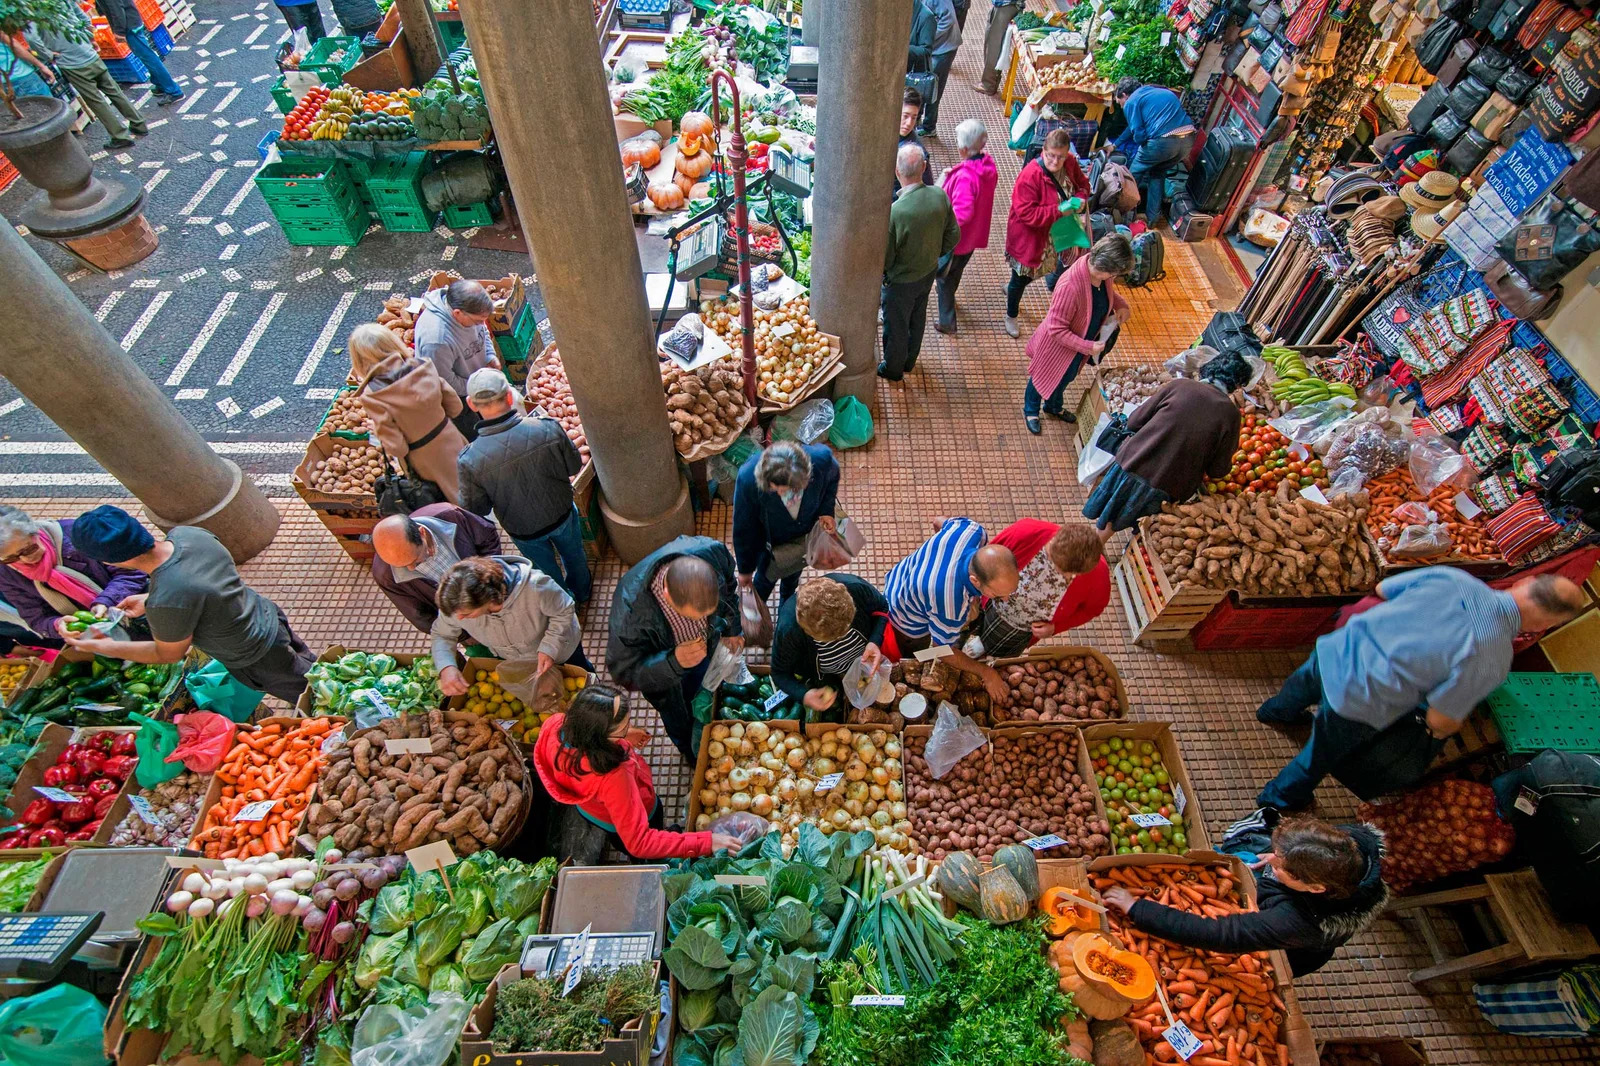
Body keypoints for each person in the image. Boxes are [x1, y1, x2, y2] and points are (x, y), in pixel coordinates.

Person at [1254, 569, 1586, 811]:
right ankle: (1278, 798)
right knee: (1318, 756)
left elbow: (1384, 588)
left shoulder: (1454, 578)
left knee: (1301, 686)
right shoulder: (1493, 657)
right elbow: (1440, 718)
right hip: (1358, 702)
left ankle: (1276, 712)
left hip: (1337, 649)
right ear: (1545, 625)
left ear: (1524, 583)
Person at [64, 506, 313, 703]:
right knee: (311, 665)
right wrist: (150, 600)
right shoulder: (188, 535)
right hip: (267, 616)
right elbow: (204, 585)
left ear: (112, 561)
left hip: (254, 654)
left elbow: (168, 653)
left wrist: (109, 647)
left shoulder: (167, 599)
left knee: (313, 693)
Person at [1102, 812, 1388, 978]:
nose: (1271, 863)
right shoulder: (1350, 846)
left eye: (1281, 867)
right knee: (1245, 851)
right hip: (1287, 905)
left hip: (1289, 952)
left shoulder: (1297, 923)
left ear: (1315, 887)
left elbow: (1218, 934)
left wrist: (1136, 907)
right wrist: (1272, 860)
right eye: (1277, 856)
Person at [535, 683, 742, 861]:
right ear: (601, 737)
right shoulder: (614, 776)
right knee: (645, 845)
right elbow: (640, 841)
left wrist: (623, 736)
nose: (629, 728)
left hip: (594, 811)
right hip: (632, 812)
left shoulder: (555, 726)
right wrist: (706, 842)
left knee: (622, 838)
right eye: (623, 727)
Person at [1083, 350, 1249, 543]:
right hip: (1169, 484)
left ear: (1210, 369)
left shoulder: (1179, 386)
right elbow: (1218, 470)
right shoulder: (1231, 415)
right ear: (1236, 385)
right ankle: (1100, 556)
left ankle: (1089, 553)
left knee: (1108, 523)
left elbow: (1134, 421)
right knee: (1147, 530)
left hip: (1133, 462)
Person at [456, 368, 591, 605]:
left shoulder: (469, 460)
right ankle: (583, 593)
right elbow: (573, 466)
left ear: (471, 404)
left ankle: (564, 604)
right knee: (575, 556)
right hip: (561, 513)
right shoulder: (547, 427)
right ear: (510, 396)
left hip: (523, 529)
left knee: (545, 569)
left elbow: (477, 508)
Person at [607, 537, 741, 763]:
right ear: (667, 594)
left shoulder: (712, 552)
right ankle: (690, 752)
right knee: (679, 717)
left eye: (708, 613)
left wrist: (731, 629)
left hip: (702, 654)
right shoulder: (629, 618)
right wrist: (673, 662)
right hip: (667, 681)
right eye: (693, 616)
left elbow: (729, 587)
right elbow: (625, 672)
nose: (704, 622)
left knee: (706, 688)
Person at [884, 516, 1018, 701]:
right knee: (917, 655)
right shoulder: (950, 606)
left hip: (899, 578)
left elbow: (938, 523)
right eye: (997, 594)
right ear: (975, 581)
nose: (1004, 599)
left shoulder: (970, 530)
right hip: (905, 619)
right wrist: (985, 672)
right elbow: (942, 650)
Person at [431, 555, 590, 699]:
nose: (459, 619)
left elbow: (564, 610)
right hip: (518, 659)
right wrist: (446, 666)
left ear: (489, 600)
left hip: (563, 649)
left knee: (582, 676)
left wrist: (549, 647)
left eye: (466, 615)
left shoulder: (536, 587)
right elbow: (442, 634)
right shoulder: (456, 605)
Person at [1023, 233, 1132, 435]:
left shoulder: (1099, 276)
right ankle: (1031, 410)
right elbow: (1056, 329)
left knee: (1065, 378)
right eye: (1114, 273)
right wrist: (1088, 347)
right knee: (1041, 378)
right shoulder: (1070, 286)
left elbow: (1105, 293)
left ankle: (1053, 406)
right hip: (1057, 348)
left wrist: (1121, 305)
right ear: (1105, 268)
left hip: (1077, 349)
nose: (1114, 278)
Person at [348, 323, 468, 505]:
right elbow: (455, 407)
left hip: (425, 461)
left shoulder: (373, 394)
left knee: (453, 505)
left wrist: (378, 432)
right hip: (451, 439)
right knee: (471, 485)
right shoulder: (422, 365)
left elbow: (398, 447)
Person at [0, 506, 147, 643]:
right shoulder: (6, 574)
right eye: (11, 558)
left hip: (142, 605)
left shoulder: (77, 535)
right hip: (102, 634)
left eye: (28, 549)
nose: (25, 560)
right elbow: (36, 617)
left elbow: (131, 571)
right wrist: (57, 625)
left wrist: (106, 600)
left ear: (35, 531)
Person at [881, 142, 959, 382]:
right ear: (924, 167)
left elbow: (887, 257)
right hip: (927, 274)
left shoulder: (895, 212)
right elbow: (953, 235)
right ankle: (909, 361)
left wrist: (888, 275)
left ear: (896, 172)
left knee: (896, 326)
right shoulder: (939, 195)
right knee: (918, 316)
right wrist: (935, 253)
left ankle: (893, 369)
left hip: (901, 282)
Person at [977, 519, 1109, 657]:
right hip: (986, 601)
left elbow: (1092, 609)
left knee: (992, 656)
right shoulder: (1025, 531)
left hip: (1018, 631)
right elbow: (983, 560)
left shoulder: (1099, 574)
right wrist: (981, 589)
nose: (1059, 575)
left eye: (1068, 575)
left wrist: (1055, 628)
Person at [1004, 129, 1091, 338]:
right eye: (1051, 155)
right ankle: (1011, 314)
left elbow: (1083, 185)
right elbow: (1026, 213)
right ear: (1043, 150)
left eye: (1060, 156)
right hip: (1031, 238)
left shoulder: (1070, 162)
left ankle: (1012, 289)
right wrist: (1060, 210)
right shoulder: (1031, 175)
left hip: (1056, 235)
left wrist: (1080, 198)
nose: (1055, 161)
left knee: (1039, 272)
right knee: (1021, 276)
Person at [733, 440, 839, 606]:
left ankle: (787, 601)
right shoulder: (748, 480)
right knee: (765, 578)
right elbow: (743, 528)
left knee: (794, 571)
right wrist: (745, 570)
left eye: (796, 488)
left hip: (802, 536)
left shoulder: (821, 460)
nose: (789, 495)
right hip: (771, 543)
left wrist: (826, 510)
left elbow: (833, 476)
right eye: (781, 490)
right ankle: (758, 606)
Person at [25, 9, 147, 150]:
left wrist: (48, 55)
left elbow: (32, 37)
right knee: (114, 91)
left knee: (96, 101)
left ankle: (120, 136)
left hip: (72, 63)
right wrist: (90, 38)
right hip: (88, 53)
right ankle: (139, 123)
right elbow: (82, 16)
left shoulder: (32, 12)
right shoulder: (60, 4)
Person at [369, 504, 500, 633]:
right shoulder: (384, 575)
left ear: (422, 533)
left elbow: (487, 538)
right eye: (402, 565)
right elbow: (420, 616)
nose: (410, 568)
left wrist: (494, 579)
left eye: (415, 560)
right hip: (468, 628)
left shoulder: (451, 516)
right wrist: (463, 636)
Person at [771, 575, 890, 714]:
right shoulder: (788, 629)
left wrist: (874, 641)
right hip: (824, 674)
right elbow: (779, 673)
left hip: (863, 659)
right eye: (831, 639)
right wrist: (804, 695)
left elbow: (882, 607)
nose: (840, 640)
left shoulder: (857, 588)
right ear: (806, 629)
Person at [935, 119, 998, 336]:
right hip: (972, 238)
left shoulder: (965, 178)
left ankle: (947, 322)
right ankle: (951, 295)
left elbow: (962, 212)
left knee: (944, 278)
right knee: (956, 271)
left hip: (957, 241)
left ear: (962, 149)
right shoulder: (987, 166)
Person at [414, 280, 499, 442]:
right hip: (458, 398)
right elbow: (446, 382)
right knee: (476, 436)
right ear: (458, 313)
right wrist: (479, 388)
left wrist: (489, 355)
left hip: (476, 385)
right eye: (477, 321)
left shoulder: (470, 310)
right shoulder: (436, 340)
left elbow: (483, 331)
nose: (481, 324)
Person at [1111, 78, 1197, 227]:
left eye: (1120, 103)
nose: (1122, 107)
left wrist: (1142, 145)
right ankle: (1153, 219)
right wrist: (1116, 144)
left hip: (1162, 142)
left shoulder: (1132, 101)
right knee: (1157, 174)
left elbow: (1138, 134)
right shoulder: (1160, 91)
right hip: (1187, 142)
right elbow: (1132, 128)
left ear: (1125, 95)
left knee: (1131, 177)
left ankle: (1121, 217)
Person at [94, 0, 183, 103]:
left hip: (129, 26)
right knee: (146, 57)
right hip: (132, 21)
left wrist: (119, 32)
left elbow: (117, 10)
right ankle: (160, 84)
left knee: (149, 58)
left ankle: (174, 91)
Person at [920, 0, 961, 136]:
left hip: (944, 49)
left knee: (934, 87)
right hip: (937, 47)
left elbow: (948, 19)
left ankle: (929, 127)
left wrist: (929, 37)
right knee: (926, 84)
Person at [976, 0, 1022, 96]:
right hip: (1004, 4)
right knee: (993, 41)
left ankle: (988, 84)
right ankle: (990, 82)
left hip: (1006, 5)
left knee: (994, 44)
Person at [0, 32, 54, 102]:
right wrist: (41, 66)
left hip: (3, 87)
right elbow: (14, 45)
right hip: (22, 76)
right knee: (49, 106)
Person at [896, 89, 933, 187]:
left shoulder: (918, 154)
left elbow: (926, 187)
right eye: (905, 116)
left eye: (914, 117)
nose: (909, 123)